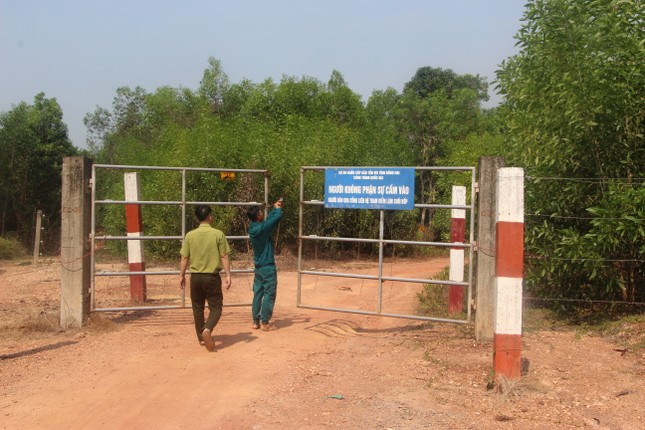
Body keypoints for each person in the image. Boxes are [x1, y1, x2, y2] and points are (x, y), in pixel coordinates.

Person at [179, 205, 232, 351]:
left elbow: (184, 257)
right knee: (216, 307)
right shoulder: (218, 234)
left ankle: (201, 338)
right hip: (211, 277)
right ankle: (207, 329)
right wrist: (228, 274)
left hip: (195, 277)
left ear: (196, 218)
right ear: (210, 217)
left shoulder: (190, 235)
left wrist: (181, 275)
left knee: (197, 307)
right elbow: (224, 255)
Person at [247, 197, 283, 331]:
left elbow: (268, 223)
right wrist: (278, 209)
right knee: (269, 293)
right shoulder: (262, 228)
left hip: (258, 267)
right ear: (258, 216)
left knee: (258, 293)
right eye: (260, 212)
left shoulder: (254, 228)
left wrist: (275, 208)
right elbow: (274, 220)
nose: (262, 213)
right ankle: (265, 322)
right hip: (267, 267)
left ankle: (256, 321)